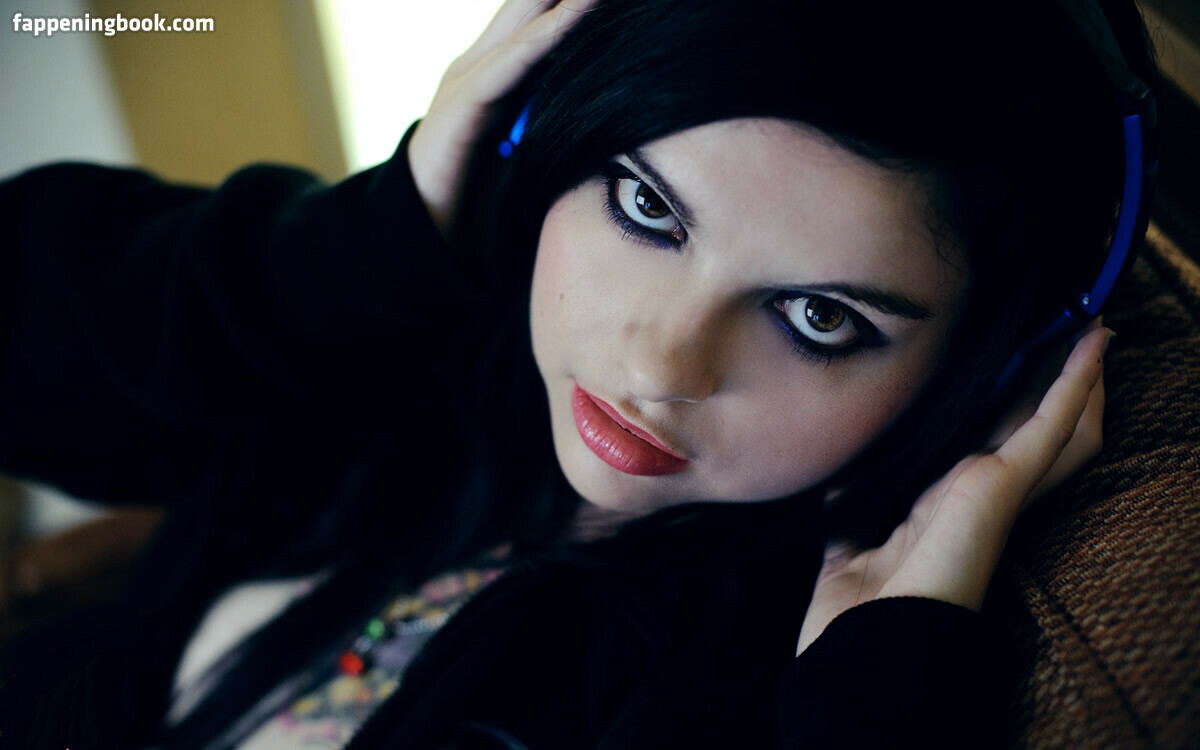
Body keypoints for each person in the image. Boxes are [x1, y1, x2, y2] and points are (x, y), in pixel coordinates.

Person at [0, 0, 1157, 747]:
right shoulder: (393, 352)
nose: (659, 361)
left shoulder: (759, 682)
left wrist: (872, 684)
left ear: (981, 376)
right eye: (646, 207)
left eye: (818, 316)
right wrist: (380, 232)